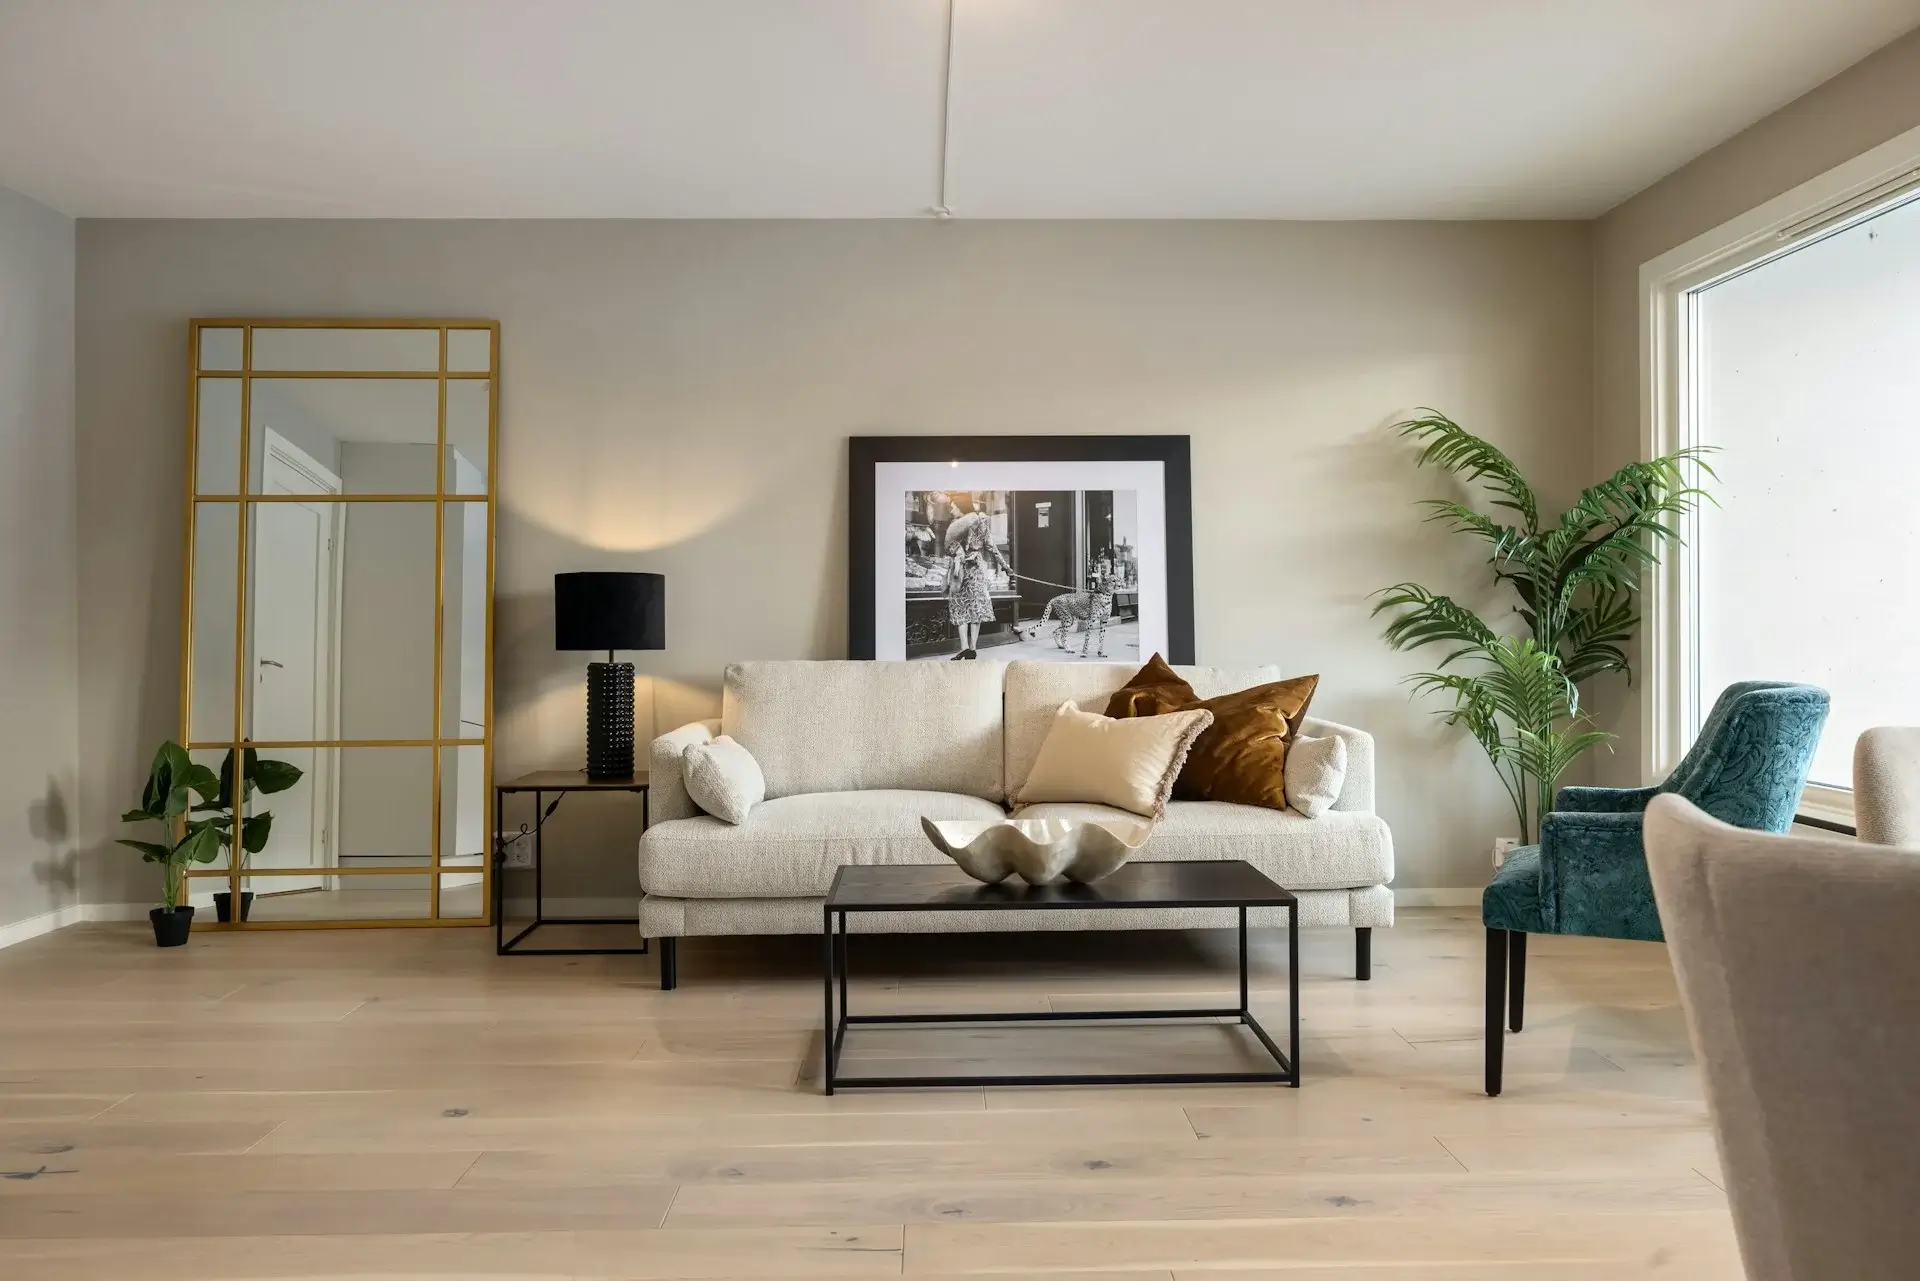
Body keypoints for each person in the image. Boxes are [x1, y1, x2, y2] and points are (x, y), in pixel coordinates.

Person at [942, 494, 1009, 659]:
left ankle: (966, 647)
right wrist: (1006, 567)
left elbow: (949, 548)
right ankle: (971, 649)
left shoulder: (955, 527)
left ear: (961, 507)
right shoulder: (981, 524)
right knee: (974, 609)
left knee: (961, 607)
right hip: (975, 571)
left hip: (960, 572)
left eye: (953, 506)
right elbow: (992, 548)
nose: (951, 510)